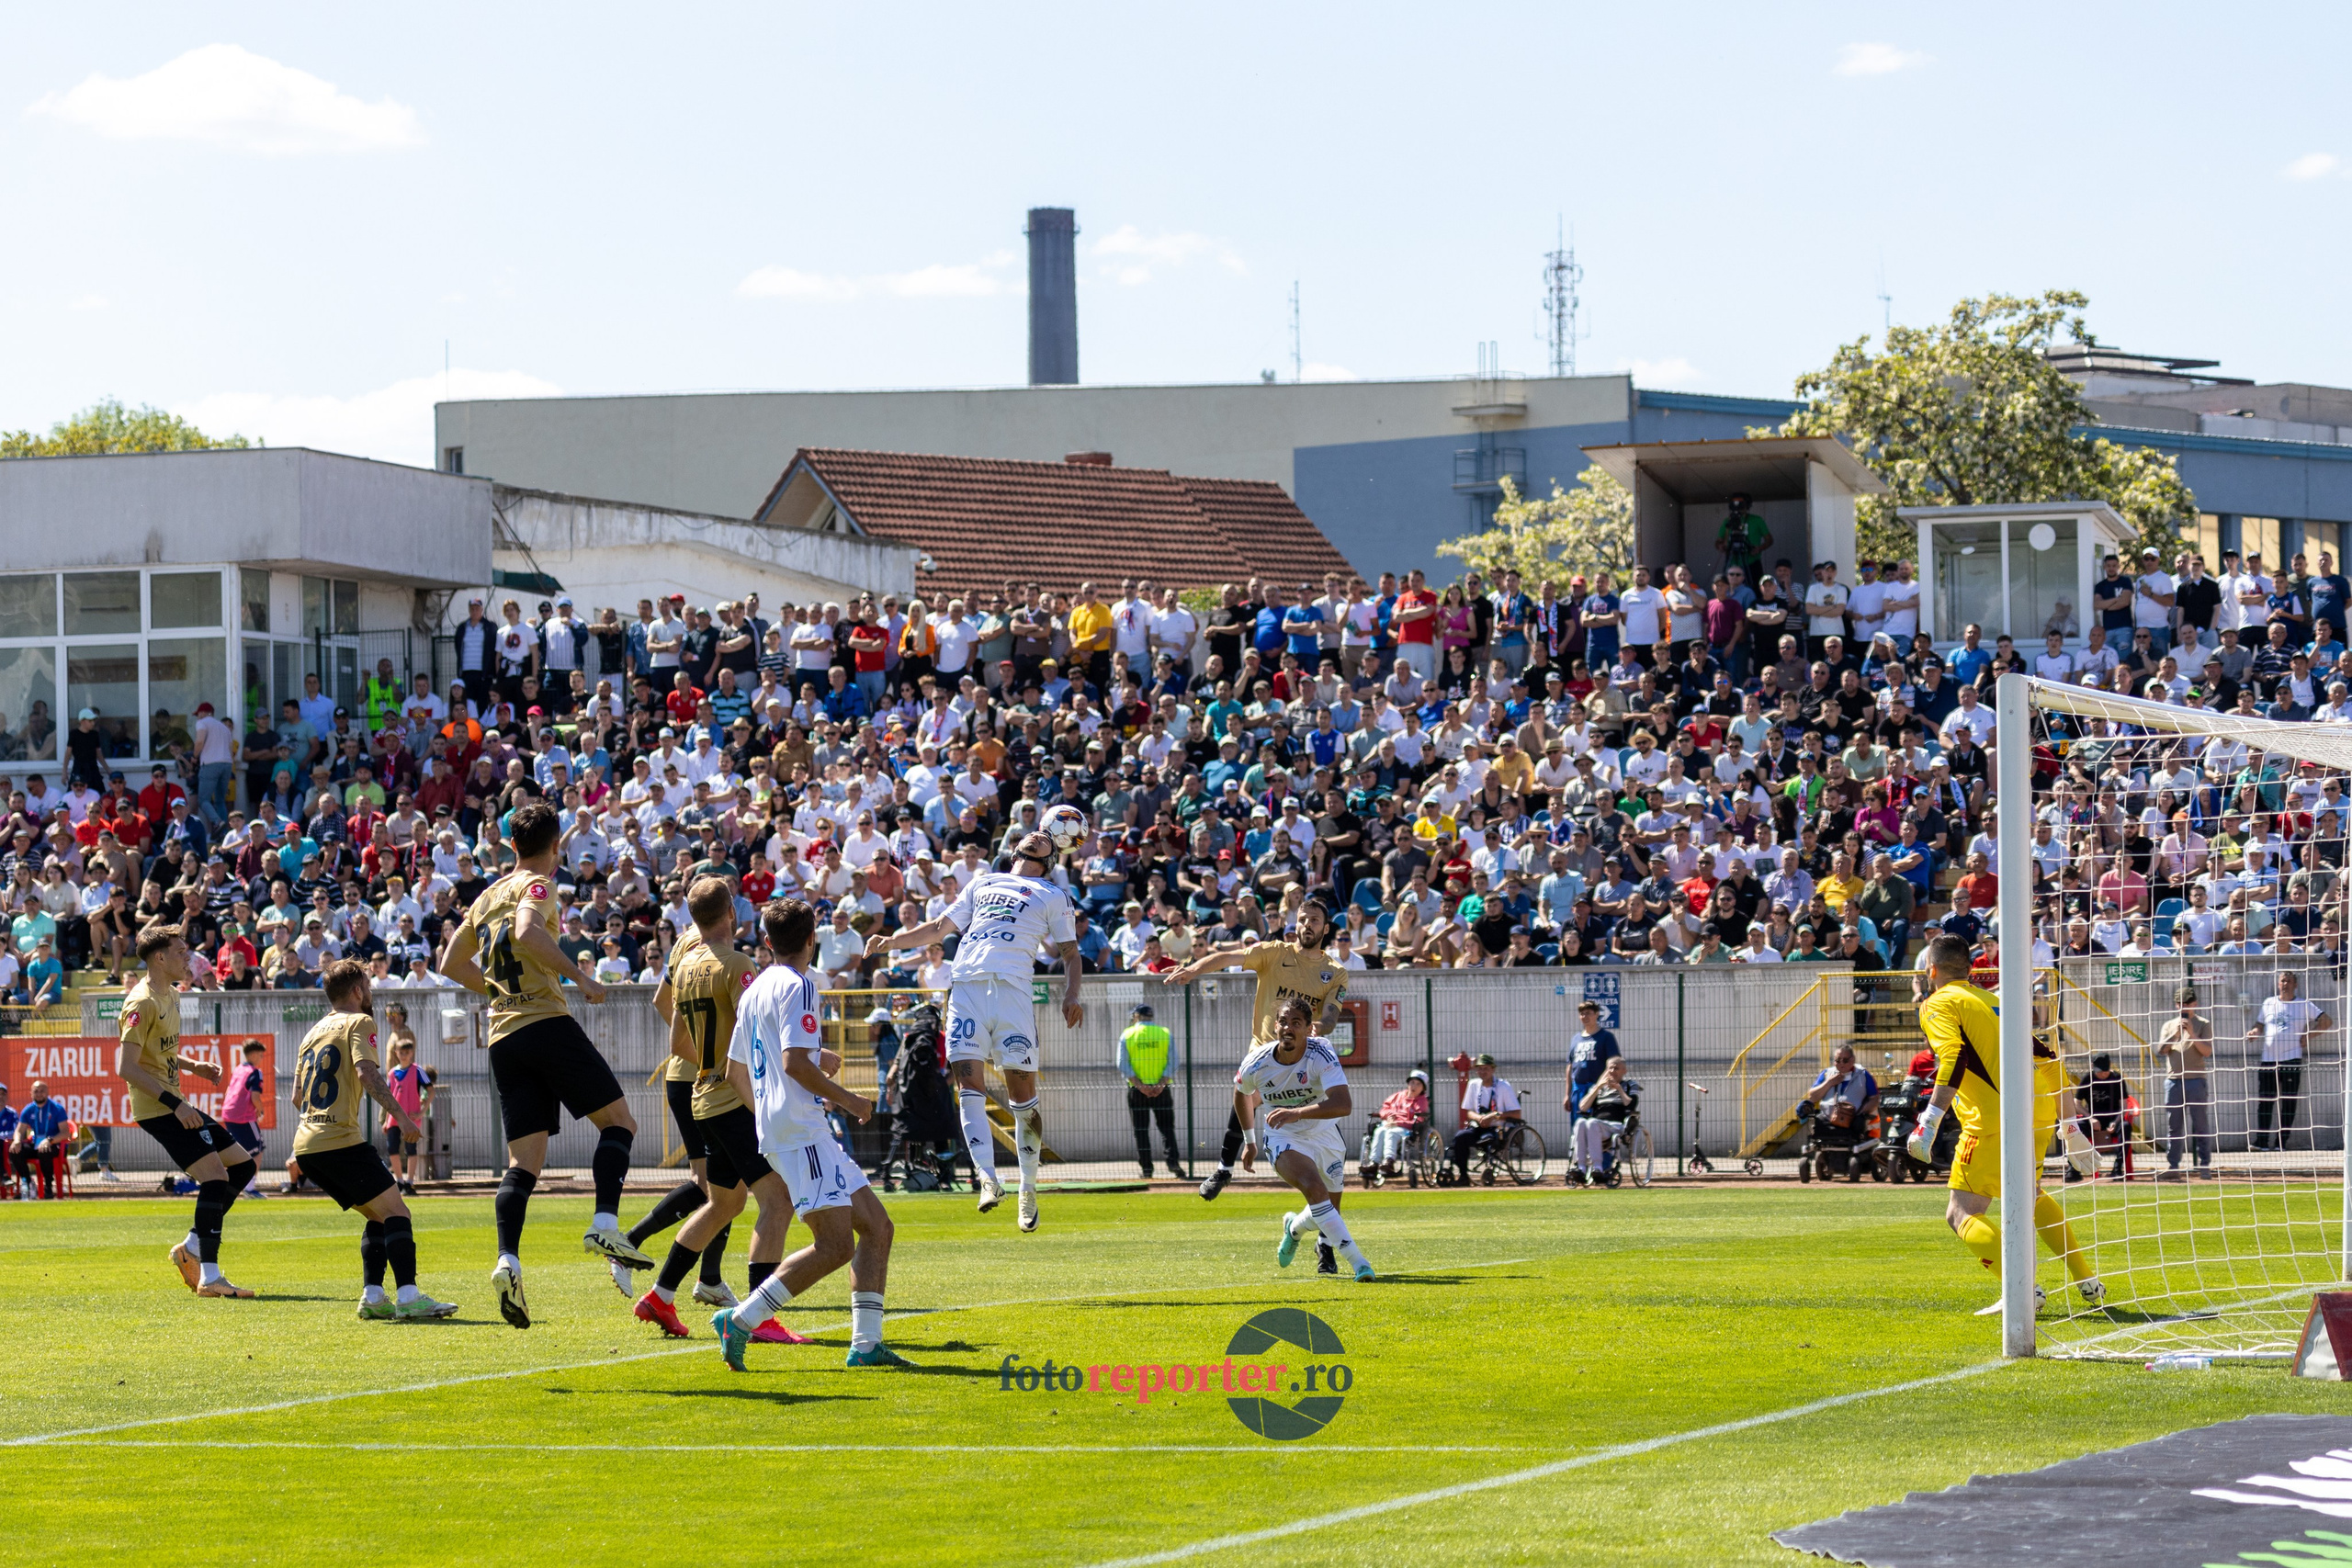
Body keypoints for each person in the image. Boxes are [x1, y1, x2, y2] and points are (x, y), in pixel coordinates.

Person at [439, 800, 650, 1329]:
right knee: (620, 1124)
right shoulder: (538, 885)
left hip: (503, 1037)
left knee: (523, 1165)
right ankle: (605, 1224)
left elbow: (450, 963)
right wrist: (582, 978)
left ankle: (507, 1261)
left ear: (511, 844)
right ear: (557, 846)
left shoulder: (486, 895)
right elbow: (528, 933)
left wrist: (497, 992)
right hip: (545, 1023)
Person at [714, 897, 913, 1371]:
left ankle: (866, 1345)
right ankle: (741, 1319)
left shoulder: (756, 989)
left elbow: (734, 1071)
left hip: (792, 1128)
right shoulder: (799, 984)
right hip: (802, 1130)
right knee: (835, 1245)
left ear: (766, 942)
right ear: (812, 940)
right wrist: (852, 1101)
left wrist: (769, 1112)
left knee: (877, 1227)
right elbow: (795, 1064)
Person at [865, 828, 1084, 1232]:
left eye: (1045, 837)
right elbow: (937, 928)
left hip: (1013, 992)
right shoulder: (983, 882)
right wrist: (890, 943)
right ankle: (987, 1178)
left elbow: (1071, 954)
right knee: (969, 1089)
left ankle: (1028, 1188)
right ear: (1015, 849)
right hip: (965, 990)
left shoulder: (1053, 894)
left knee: (1023, 1100)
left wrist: (1072, 995)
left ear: (1051, 858)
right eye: (1033, 833)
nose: (1037, 834)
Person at [632, 878, 808, 1346]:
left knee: (725, 1203)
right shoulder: (737, 964)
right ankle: (758, 1316)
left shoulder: (687, 964)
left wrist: (711, 1067)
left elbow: (677, 1043)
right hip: (734, 1100)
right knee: (777, 1200)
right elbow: (755, 1035)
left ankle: (660, 1296)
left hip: (703, 1097)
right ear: (731, 913)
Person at [1903, 935, 2103, 1310]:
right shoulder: (1994, 1000)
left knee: (1961, 1213)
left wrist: (1929, 1120)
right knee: (2030, 1195)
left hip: (1993, 1119)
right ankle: (2086, 1279)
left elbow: (1954, 1056)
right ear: (1971, 968)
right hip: (2038, 1112)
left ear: (1931, 970)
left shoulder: (1937, 1003)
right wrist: (2070, 1126)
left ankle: (2022, 1290)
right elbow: (2049, 1058)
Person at [294, 960, 458, 1321]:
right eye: (367, 985)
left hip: (306, 1146)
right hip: (339, 1141)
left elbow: (296, 1096)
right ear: (357, 991)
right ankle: (409, 1297)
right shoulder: (360, 1021)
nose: (370, 992)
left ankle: (373, 1296)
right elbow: (366, 1073)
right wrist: (402, 1117)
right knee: (398, 1212)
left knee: (378, 1214)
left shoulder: (313, 1032)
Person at [1159, 897, 1347, 1201]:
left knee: (1322, 1115)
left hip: (1304, 1057)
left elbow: (1331, 1014)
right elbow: (1228, 957)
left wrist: (1320, 1027)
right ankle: (1224, 1168)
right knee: (1245, 1095)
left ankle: (1322, 1185)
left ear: (1326, 928)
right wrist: (1193, 970)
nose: (1306, 925)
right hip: (1264, 1050)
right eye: (1302, 919)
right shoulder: (1274, 953)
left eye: (1314, 920)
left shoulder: (1334, 971)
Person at [610, 886, 740, 1303]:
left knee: (721, 1185)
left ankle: (709, 1278)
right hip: (705, 1075)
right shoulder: (718, 948)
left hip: (686, 1072)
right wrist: (708, 1048)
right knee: (718, 1186)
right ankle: (631, 1245)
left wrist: (692, 1041)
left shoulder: (685, 941)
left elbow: (661, 1000)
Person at [117, 924, 261, 1297]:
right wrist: (176, 1105)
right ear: (159, 958)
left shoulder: (172, 994)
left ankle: (192, 1247)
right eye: (181, 952)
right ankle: (209, 1277)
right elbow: (127, 1067)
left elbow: (158, 1052)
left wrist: (193, 1066)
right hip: (159, 1109)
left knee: (242, 1166)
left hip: (176, 1103)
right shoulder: (141, 1002)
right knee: (215, 1177)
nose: (189, 958)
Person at [1235, 997, 1373, 1281]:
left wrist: (1297, 1112)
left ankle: (1294, 1229)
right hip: (1283, 1135)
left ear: (1309, 1029)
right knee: (1315, 1188)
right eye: (1283, 1022)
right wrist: (1250, 1141)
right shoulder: (1257, 1062)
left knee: (1328, 1206)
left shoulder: (1321, 1052)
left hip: (1325, 1133)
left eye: (1296, 1023)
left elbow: (1343, 1104)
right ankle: (1360, 1264)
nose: (1288, 1028)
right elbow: (1241, 1094)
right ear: (1275, 1027)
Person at [2248, 968, 2332, 1151]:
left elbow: (2326, 1021)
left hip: (2291, 1059)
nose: (2285, 984)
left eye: (2288, 981)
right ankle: (2261, 1142)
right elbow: (2260, 1023)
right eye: (2282, 981)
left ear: (2295, 985)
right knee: (2265, 1101)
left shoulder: (2303, 1004)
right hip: (2268, 1059)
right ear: (2278, 984)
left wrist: (2309, 1035)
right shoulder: (2269, 1002)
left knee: (2288, 1102)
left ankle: (2281, 1143)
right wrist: (2255, 1031)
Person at [1115, 1002, 1185, 1180]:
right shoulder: (1164, 1033)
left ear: (1136, 1016)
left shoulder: (1128, 1034)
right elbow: (1173, 1061)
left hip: (1137, 1091)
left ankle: (1147, 1169)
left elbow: (1122, 1063)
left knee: (1141, 1130)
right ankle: (1173, 1163)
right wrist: (1161, 1083)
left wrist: (1140, 1085)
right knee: (1167, 1128)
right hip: (1162, 1090)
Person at [2154, 984, 2213, 1179]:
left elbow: (2207, 1051)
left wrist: (2192, 1034)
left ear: (2195, 1003)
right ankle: (2173, 1167)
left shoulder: (2203, 1023)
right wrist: (2176, 1034)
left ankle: (2204, 1165)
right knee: (2174, 1127)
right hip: (2173, 1081)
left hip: (2196, 1081)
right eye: (2180, 1003)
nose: (2184, 1007)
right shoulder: (2169, 1025)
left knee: (2201, 1125)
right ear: (2176, 1004)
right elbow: (2161, 1050)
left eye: (2188, 1003)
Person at [1802, 1044, 1881, 1179]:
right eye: (1838, 1060)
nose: (1841, 1064)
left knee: (1857, 1123)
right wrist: (1829, 1083)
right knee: (1817, 1121)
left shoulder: (1863, 1074)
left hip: (1852, 1116)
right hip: (1828, 1116)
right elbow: (1812, 1096)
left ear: (1852, 1060)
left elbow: (1875, 1098)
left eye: (1845, 1060)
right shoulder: (1827, 1074)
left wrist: (1861, 1111)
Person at [1450, 1052, 1523, 1182]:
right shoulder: (1473, 1085)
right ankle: (1463, 1175)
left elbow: (1517, 1113)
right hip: (1478, 1126)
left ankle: (1489, 1169)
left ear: (1493, 1069)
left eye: (1486, 1069)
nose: (1483, 1072)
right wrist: (1479, 1118)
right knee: (1460, 1137)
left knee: (1487, 1139)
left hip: (1497, 1129)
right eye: (1480, 1069)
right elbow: (1469, 1112)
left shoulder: (1503, 1086)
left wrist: (1496, 1116)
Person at [1572, 1055, 1639, 1187]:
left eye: (1616, 1068)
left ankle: (1598, 1167)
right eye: (1610, 1068)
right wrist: (1597, 1088)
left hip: (1616, 1125)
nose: (1612, 1071)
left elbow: (1630, 1105)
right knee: (1580, 1123)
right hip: (1596, 1126)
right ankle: (1581, 1168)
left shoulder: (1629, 1085)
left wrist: (1619, 1089)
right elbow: (1583, 1107)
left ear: (1624, 1071)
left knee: (1592, 1123)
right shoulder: (1599, 1087)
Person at [383, 1030, 435, 1195]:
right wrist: (386, 1120)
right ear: (396, 1053)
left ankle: (410, 1183)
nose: (404, 1055)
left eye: (407, 1052)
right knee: (392, 1149)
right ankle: (399, 1181)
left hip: (411, 1118)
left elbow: (431, 1091)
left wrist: (422, 1112)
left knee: (411, 1149)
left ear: (412, 1053)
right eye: (401, 1052)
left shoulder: (418, 1071)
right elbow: (389, 1098)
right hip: (394, 1118)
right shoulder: (392, 1073)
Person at [217, 1039, 270, 1200]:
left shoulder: (238, 1069)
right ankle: (249, 1188)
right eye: (260, 1055)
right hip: (243, 1117)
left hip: (228, 1114)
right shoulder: (255, 1072)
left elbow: (228, 1091)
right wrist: (261, 1111)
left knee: (240, 1152)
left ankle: (226, 1184)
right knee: (257, 1150)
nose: (261, 1059)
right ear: (253, 1055)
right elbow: (255, 1097)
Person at [1564, 998, 1621, 1145]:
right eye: (1582, 1014)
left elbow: (1612, 1064)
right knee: (1578, 1128)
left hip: (1598, 1091)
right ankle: (1579, 1158)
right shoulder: (1576, 1039)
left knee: (1597, 1128)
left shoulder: (1606, 1037)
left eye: (1588, 1013)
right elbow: (1570, 1066)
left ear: (1596, 1014)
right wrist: (1567, 1094)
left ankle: (1602, 1159)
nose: (1585, 1016)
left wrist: (1598, 1086)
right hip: (1578, 1091)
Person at [11, 1079, 70, 1200]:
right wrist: (16, 1141)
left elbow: (65, 1132)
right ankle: (28, 1183)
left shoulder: (57, 1108)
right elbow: (19, 1130)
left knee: (44, 1150)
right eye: (36, 1091)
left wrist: (49, 1140)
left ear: (47, 1092)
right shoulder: (28, 1109)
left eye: (42, 1091)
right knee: (14, 1151)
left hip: (54, 1144)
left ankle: (48, 1186)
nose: (39, 1094)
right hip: (35, 1144)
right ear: (31, 1093)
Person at [1364, 1068, 1430, 1174]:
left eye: (1418, 1084)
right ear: (1408, 1084)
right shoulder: (1398, 1096)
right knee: (1379, 1131)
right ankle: (1374, 1163)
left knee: (1391, 1133)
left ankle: (1389, 1162)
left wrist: (1398, 1123)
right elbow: (1385, 1108)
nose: (1414, 1086)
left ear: (1423, 1088)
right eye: (1412, 1082)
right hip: (1389, 1123)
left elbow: (1419, 1120)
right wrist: (1390, 1115)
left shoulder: (1422, 1101)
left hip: (1406, 1128)